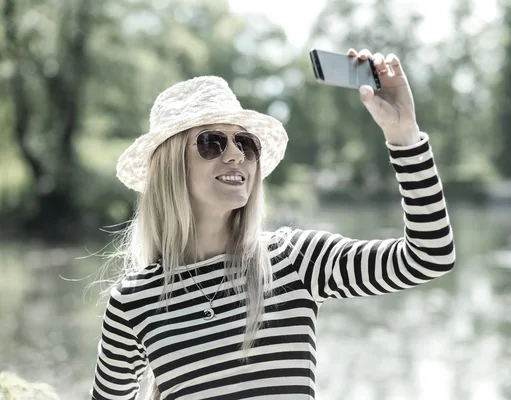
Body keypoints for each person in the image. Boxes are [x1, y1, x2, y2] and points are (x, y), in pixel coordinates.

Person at [90, 48, 456, 400]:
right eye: (212, 142)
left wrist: (404, 136)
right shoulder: (133, 301)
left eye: (246, 143)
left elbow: (429, 256)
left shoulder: (294, 260)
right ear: (171, 168)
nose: (236, 154)